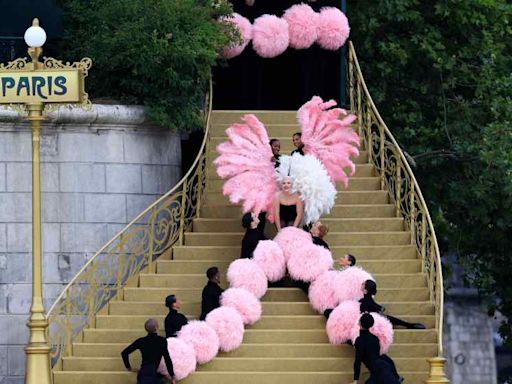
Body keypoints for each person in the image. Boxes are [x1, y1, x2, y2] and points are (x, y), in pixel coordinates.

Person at [350, 313, 403, 384]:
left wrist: (355, 380)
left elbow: (358, 360)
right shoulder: (375, 338)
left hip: (378, 371)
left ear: (359, 323)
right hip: (384, 367)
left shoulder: (359, 340)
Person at [121, 318, 176, 384]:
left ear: (146, 329)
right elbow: (167, 359)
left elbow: (124, 353)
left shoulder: (141, 341)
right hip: (153, 374)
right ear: (156, 328)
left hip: (142, 374)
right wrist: (172, 375)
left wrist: (129, 368)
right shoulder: (162, 340)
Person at [360, 280, 426, 329]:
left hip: (374, 322)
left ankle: (409, 325)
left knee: (388, 318)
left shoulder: (364, 301)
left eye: (363, 284)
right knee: (390, 318)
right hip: (375, 318)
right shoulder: (367, 300)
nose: (361, 284)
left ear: (365, 291)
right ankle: (409, 325)